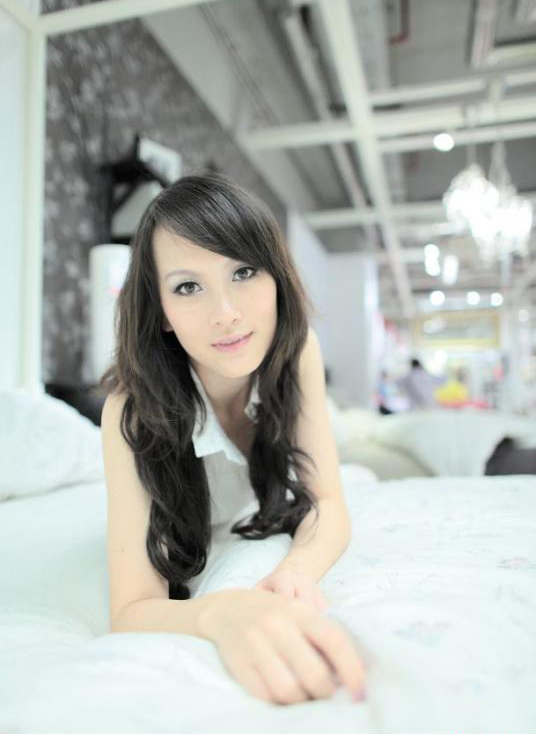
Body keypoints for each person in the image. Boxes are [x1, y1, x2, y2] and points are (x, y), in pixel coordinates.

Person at [100, 174, 366, 706]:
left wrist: (293, 575)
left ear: (276, 276)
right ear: (162, 313)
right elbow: (131, 609)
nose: (226, 313)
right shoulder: (130, 413)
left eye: (243, 271)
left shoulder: (298, 352)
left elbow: (328, 501)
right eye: (187, 287)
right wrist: (224, 612)